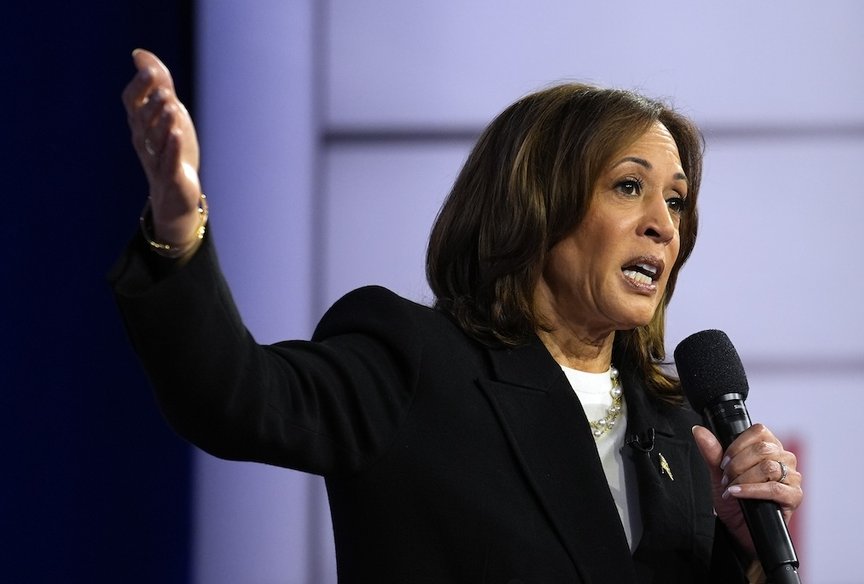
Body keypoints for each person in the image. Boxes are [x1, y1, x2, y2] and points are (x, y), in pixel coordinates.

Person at [113, 49, 803, 583]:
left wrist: (745, 554)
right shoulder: (414, 364)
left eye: (676, 202)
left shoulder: (683, 431)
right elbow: (232, 394)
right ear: (536, 204)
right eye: (629, 187)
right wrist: (178, 230)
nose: (663, 226)